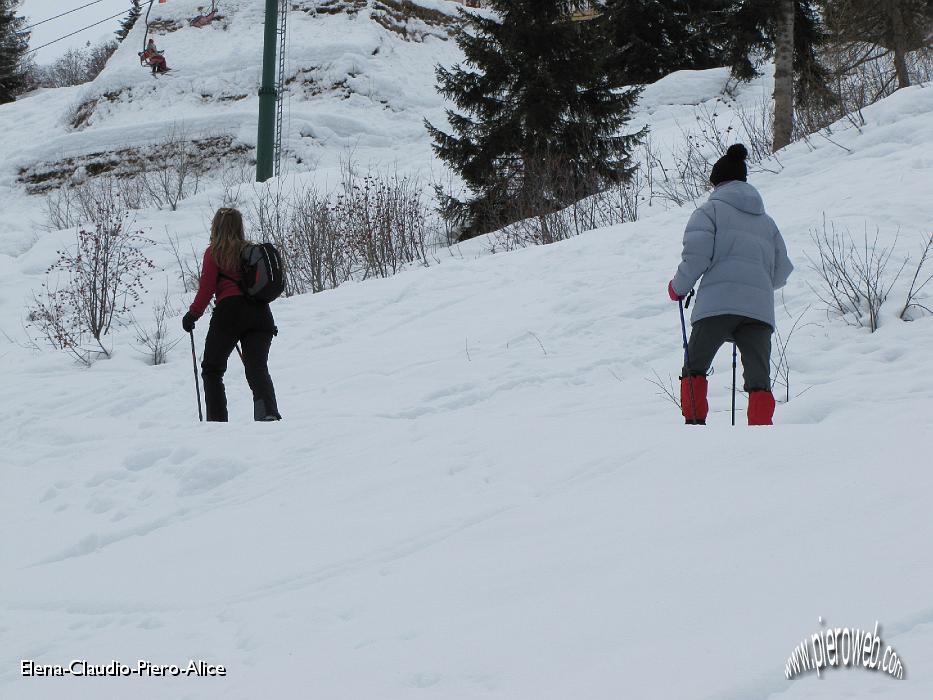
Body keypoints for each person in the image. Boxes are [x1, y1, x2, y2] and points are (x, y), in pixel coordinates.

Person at [667, 144, 793, 426]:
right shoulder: (767, 222)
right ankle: (761, 433)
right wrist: (756, 285)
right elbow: (782, 271)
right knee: (759, 378)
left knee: (695, 365)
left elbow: (696, 258)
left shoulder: (709, 212)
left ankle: (695, 426)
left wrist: (678, 287)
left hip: (717, 305)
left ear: (717, 182)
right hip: (759, 312)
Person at [182, 208, 282, 422]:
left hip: (229, 315)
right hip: (260, 314)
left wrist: (192, 315)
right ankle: (268, 414)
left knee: (212, 368)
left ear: (216, 227)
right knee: (256, 367)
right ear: (239, 226)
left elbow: (207, 289)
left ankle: (217, 422)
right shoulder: (251, 251)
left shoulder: (214, 253)